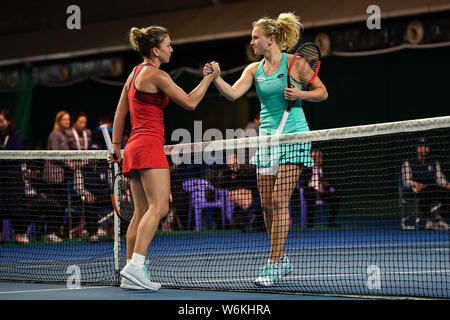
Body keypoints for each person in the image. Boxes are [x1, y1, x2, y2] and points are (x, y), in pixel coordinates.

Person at [203, 12, 328, 287]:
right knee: (268, 204)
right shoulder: (253, 70)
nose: (252, 42)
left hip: (294, 135)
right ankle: (281, 259)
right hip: (267, 138)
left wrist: (301, 94)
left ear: (270, 39)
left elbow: (322, 92)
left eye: (255, 37)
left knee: (281, 200)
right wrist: (215, 78)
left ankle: (272, 263)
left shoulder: (295, 63)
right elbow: (233, 94)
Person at [108, 25, 219, 291]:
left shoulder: (135, 73)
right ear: (156, 51)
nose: (172, 48)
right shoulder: (157, 75)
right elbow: (191, 102)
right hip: (148, 147)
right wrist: (210, 78)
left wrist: (116, 147)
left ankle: (130, 273)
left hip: (133, 148)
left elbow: (119, 113)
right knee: (159, 207)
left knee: (141, 213)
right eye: (168, 45)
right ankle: (136, 266)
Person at [402, 137, 450, 230]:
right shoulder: (408, 163)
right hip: (418, 191)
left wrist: (447, 185)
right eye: (420, 146)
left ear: (428, 148)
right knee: (423, 194)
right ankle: (428, 221)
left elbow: (440, 179)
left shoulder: (434, 162)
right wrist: (415, 184)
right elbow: (406, 181)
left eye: (425, 146)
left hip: (433, 189)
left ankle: (438, 220)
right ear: (417, 148)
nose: (423, 148)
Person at [43, 110, 71, 240]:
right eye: (64, 119)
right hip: (53, 176)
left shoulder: (63, 134)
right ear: (58, 121)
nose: (67, 122)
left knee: (61, 204)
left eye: (68, 119)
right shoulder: (55, 134)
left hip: (61, 175)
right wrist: (68, 163)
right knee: (55, 205)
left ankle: (55, 231)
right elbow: (54, 154)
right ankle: (50, 232)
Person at [0, 109, 26, 243]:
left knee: (17, 207)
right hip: (1, 178)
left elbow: (16, 153)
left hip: (14, 177)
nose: (0, 124)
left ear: (8, 121)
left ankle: (19, 234)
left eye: (1, 121)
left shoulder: (16, 134)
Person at [302, 150, 339, 228]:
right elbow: (302, 182)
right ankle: (310, 223)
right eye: (314, 157)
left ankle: (331, 221)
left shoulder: (326, 170)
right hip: (311, 191)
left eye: (319, 157)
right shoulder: (306, 170)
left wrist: (327, 184)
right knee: (311, 196)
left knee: (335, 198)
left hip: (323, 192)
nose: (317, 159)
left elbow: (332, 182)